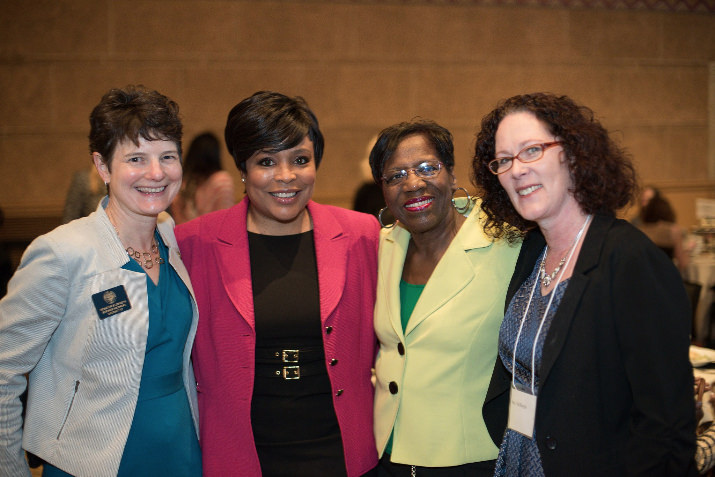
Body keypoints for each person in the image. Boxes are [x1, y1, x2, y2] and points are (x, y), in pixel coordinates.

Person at [472, 92, 696, 476]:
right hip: (519, 459)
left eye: (531, 151)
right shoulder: (532, 251)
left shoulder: (630, 261)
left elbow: (666, 429)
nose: (516, 170)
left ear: (573, 154)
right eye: (504, 160)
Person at [175, 91, 380, 477]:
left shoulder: (361, 236)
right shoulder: (193, 244)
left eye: (300, 160)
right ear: (242, 168)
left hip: (342, 451)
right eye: (266, 161)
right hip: (242, 454)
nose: (286, 176)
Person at [0, 85, 201, 477]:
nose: (156, 173)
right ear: (103, 166)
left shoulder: (174, 239)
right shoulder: (63, 253)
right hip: (94, 462)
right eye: (136, 158)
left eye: (167, 156)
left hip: (180, 453)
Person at [369, 119, 521, 476]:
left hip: (467, 459)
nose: (413, 183)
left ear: (452, 176)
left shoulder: (507, 245)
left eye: (427, 168)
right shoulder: (380, 248)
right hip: (386, 455)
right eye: (395, 176)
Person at [171, 131, 235, 224]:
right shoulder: (222, 180)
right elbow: (226, 220)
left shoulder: (183, 182)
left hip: (183, 235)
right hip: (211, 236)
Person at [637, 191, 689, 274]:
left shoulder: (639, 230)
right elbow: (683, 263)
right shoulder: (673, 230)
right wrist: (687, 250)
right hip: (666, 277)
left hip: (643, 279)